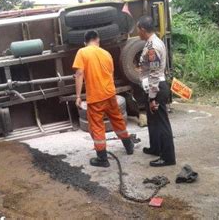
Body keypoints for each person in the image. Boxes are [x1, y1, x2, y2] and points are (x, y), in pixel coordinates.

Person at [73, 30, 134, 167]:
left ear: (85, 42)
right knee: (117, 120)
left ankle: (102, 158)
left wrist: (78, 96)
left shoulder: (82, 52)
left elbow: (79, 73)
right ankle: (128, 146)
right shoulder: (106, 54)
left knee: (97, 126)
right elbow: (110, 74)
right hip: (110, 94)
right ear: (97, 40)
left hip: (96, 97)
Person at [137, 16, 176, 167]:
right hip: (152, 86)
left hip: (157, 87)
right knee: (153, 120)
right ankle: (156, 147)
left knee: (161, 123)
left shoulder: (153, 46)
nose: (137, 32)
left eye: (138, 30)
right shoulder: (152, 42)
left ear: (142, 29)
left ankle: (168, 157)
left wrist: (153, 96)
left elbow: (154, 72)